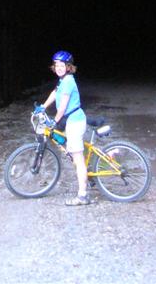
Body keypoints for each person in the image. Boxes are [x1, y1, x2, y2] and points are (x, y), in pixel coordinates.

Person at [41, 50, 90, 206]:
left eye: (62, 65)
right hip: (71, 122)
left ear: (69, 67)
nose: (59, 68)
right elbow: (55, 93)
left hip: (74, 122)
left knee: (78, 158)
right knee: (74, 152)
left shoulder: (68, 81)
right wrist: (42, 107)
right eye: (56, 65)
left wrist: (54, 120)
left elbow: (62, 106)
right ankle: (91, 176)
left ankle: (83, 196)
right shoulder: (63, 81)